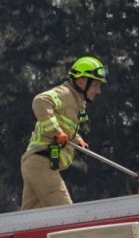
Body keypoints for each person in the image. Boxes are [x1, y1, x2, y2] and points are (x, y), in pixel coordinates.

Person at [20, 56, 107, 210]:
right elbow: (40, 101)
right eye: (95, 85)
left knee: (30, 225)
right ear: (81, 81)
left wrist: (78, 139)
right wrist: (57, 132)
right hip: (42, 163)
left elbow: (64, 126)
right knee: (68, 217)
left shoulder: (76, 102)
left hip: (34, 164)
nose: (98, 91)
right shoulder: (65, 94)